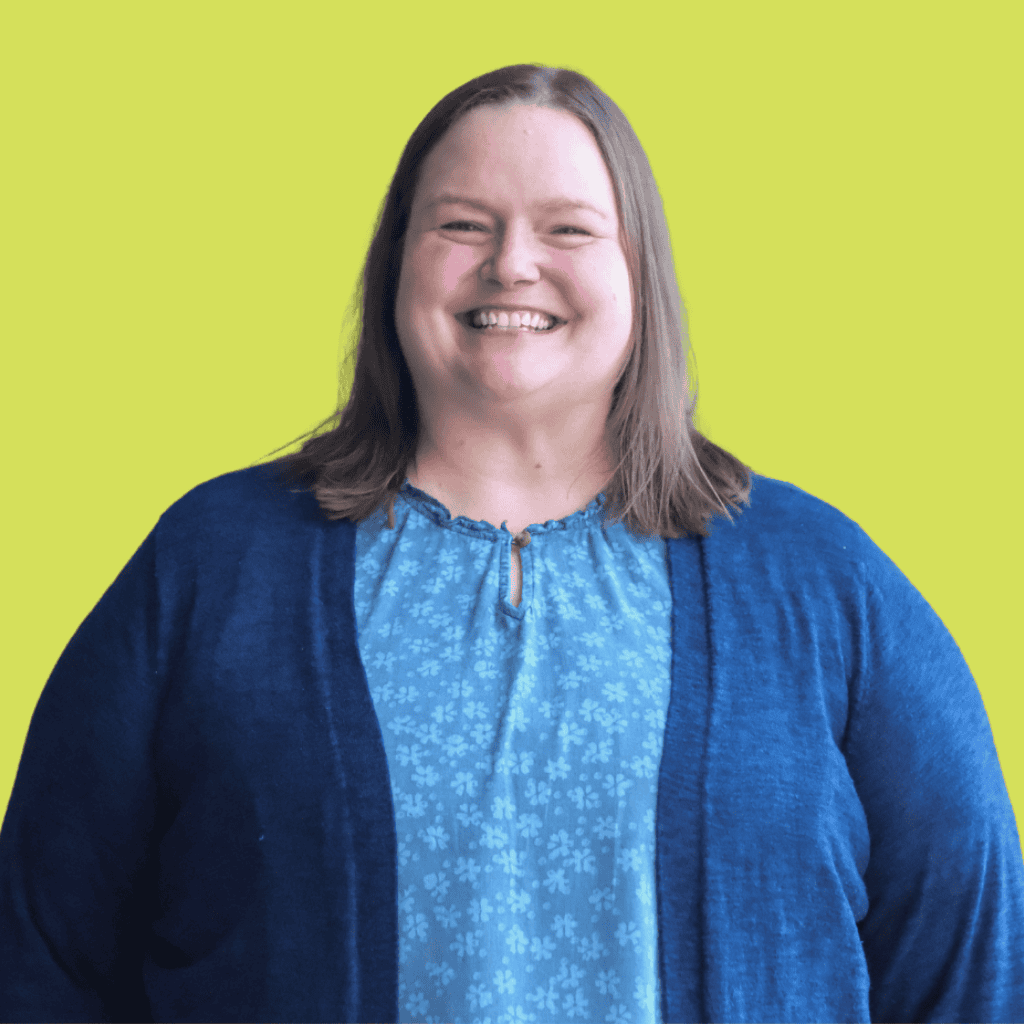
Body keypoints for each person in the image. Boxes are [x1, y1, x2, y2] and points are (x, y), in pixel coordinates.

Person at [1, 63, 1022, 1024]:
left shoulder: (821, 581)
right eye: (461, 224)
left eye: (568, 229)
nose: (511, 263)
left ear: (641, 275)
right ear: (396, 261)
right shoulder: (212, 566)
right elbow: (40, 944)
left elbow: (971, 955)